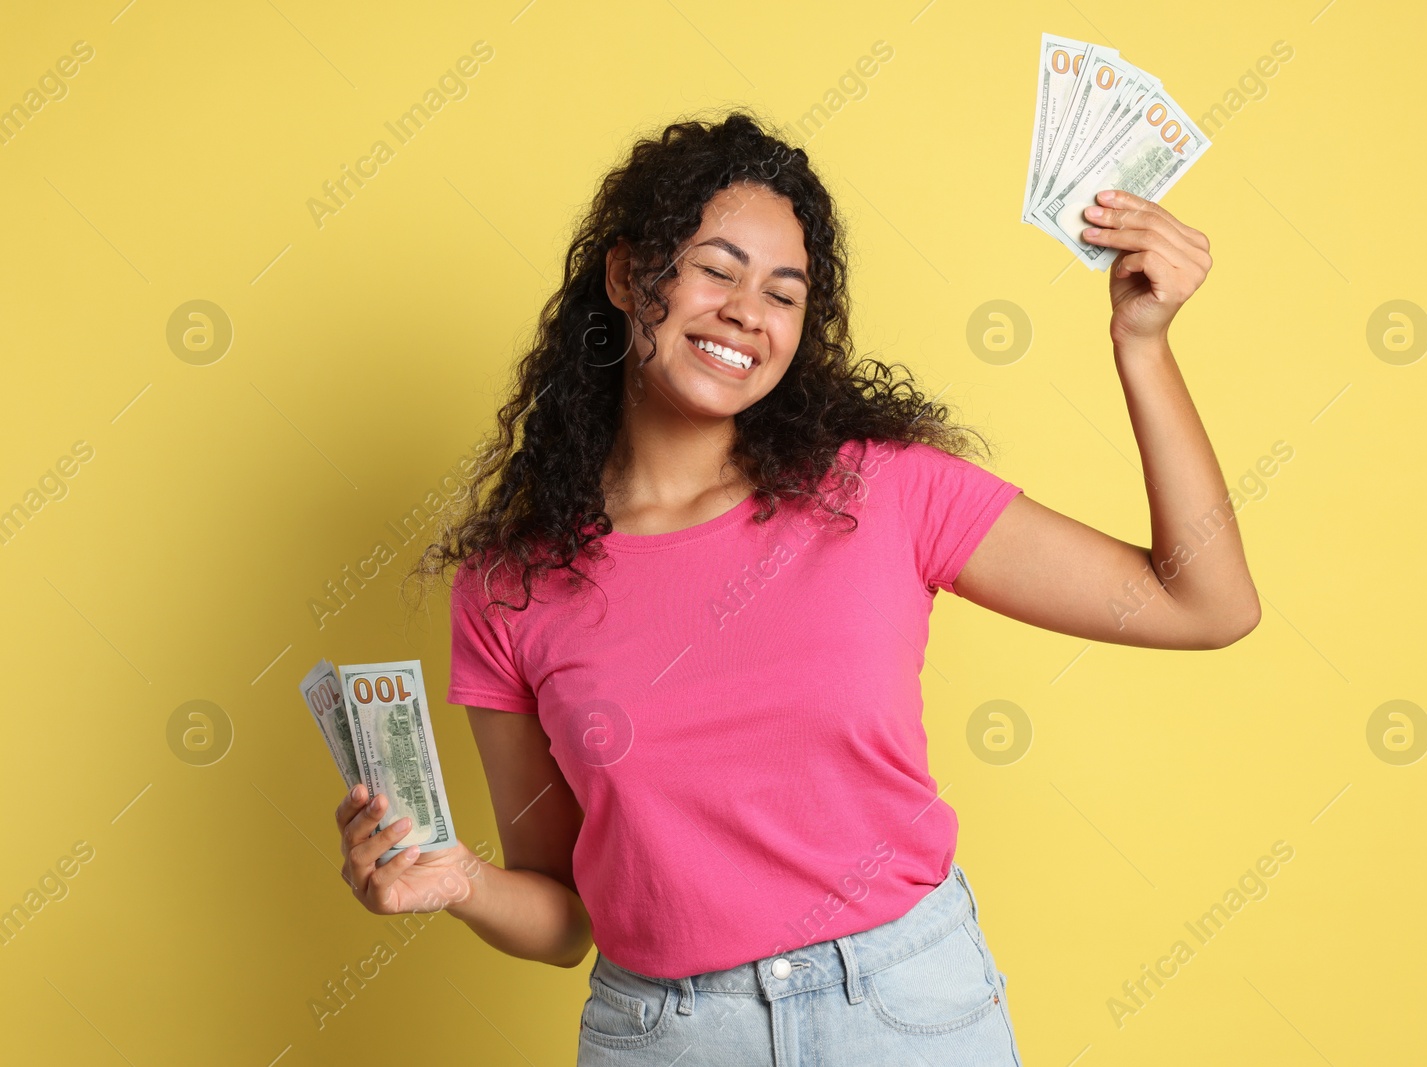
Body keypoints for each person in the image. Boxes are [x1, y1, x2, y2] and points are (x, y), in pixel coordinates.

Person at [333, 109, 1256, 1064]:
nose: (746, 311)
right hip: (667, 1037)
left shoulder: (887, 490)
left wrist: (1142, 344)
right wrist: (455, 882)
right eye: (715, 269)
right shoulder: (511, 586)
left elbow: (1208, 604)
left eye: (783, 292)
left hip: (906, 1013)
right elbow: (563, 917)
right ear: (625, 276)